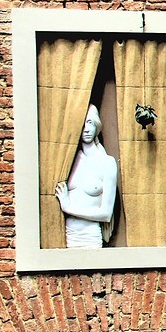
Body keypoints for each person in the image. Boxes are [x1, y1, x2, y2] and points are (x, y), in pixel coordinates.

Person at [55, 104, 118, 249]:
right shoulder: (67, 162)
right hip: (67, 236)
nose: (86, 129)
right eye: (82, 123)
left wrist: (68, 208)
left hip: (90, 238)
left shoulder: (107, 163)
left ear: (96, 124)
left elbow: (106, 214)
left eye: (90, 122)